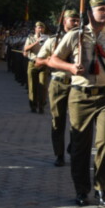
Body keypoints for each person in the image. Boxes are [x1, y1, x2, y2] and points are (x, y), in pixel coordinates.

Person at [47, 0, 105, 206]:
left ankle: (102, 188)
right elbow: (53, 60)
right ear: (89, 13)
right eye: (101, 10)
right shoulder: (74, 35)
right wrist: (69, 68)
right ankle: (81, 189)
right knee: (80, 145)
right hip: (80, 96)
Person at [35, 10, 80, 166]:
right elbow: (38, 62)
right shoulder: (53, 41)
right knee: (58, 120)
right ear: (64, 22)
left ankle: (72, 146)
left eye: (78, 20)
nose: (76, 23)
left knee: (78, 122)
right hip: (59, 83)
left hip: (77, 84)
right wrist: (52, 60)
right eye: (72, 20)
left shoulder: (83, 40)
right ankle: (59, 154)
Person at [23, 22, 47, 113]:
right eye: (39, 28)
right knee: (32, 86)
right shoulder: (30, 38)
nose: (40, 29)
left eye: (42, 28)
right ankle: (33, 105)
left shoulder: (47, 39)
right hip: (32, 63)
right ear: (35, 29)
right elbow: (25, 49)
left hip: (43, 64)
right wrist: (36, 42)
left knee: (43, 86)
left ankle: (41, 106)